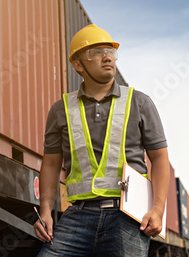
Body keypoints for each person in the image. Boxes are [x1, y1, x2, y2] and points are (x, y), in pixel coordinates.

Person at [34, 24, 170, 256]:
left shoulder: (139, 102)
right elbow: (51, 163)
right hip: (77, 216)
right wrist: (45, 210)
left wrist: (157, 210)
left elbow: (159, 158)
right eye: (96, 52)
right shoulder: (61, 109)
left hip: (127, 217)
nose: (107, 57)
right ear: (78, 65)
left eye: (110, 51)